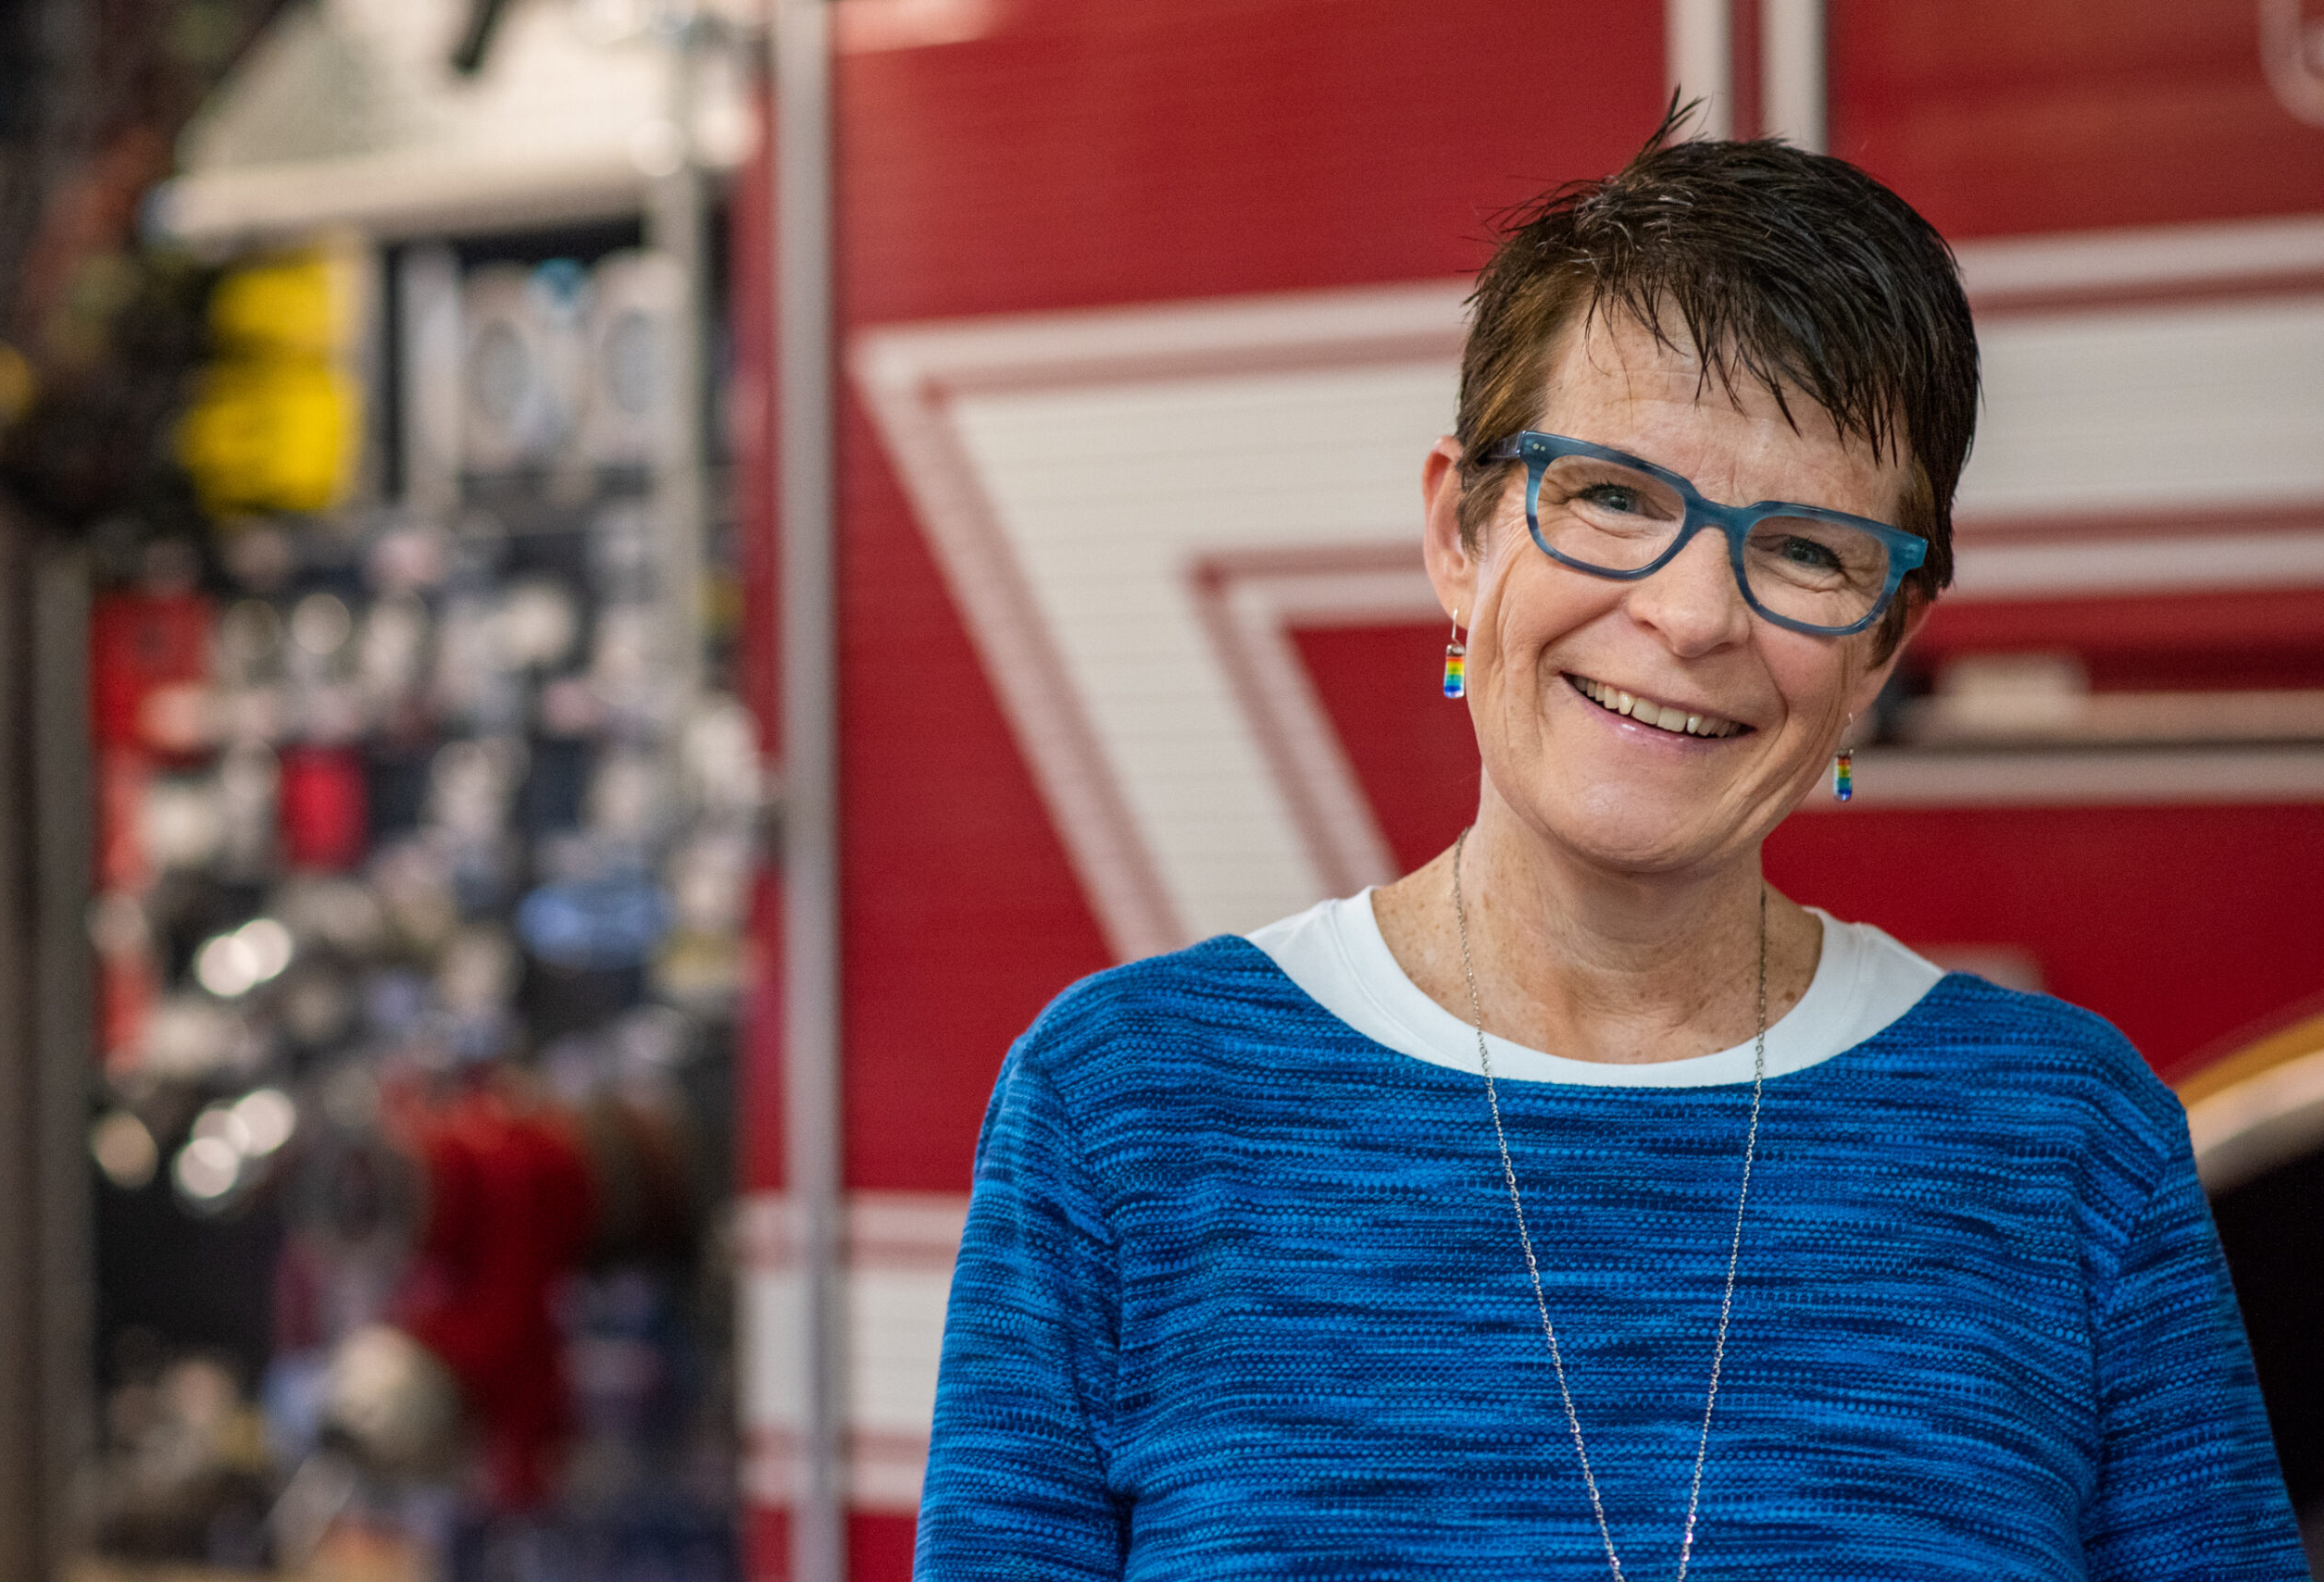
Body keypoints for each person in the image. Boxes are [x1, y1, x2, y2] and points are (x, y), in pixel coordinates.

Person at [914, 119, 2308, 1580]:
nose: (1694, 615)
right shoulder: (1126, 1106)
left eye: (1808, 548)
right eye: (1615, 497)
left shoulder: (2070, 1142)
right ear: (1461, 532)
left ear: (1881, 647)